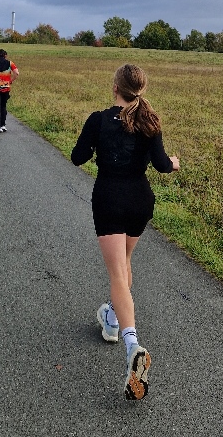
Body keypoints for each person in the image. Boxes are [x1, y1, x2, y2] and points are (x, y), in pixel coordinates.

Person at [70, 64, 180, 401]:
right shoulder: (150, 121)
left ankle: (132, 344)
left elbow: (77, 158)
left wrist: (96, 147)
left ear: (115, 87)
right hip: (140, 200)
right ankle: (112, 320)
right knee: (126, 263)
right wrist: (174, 162)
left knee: (118, 275)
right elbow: (162, 165)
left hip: (110, 200)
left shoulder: (98, 120)